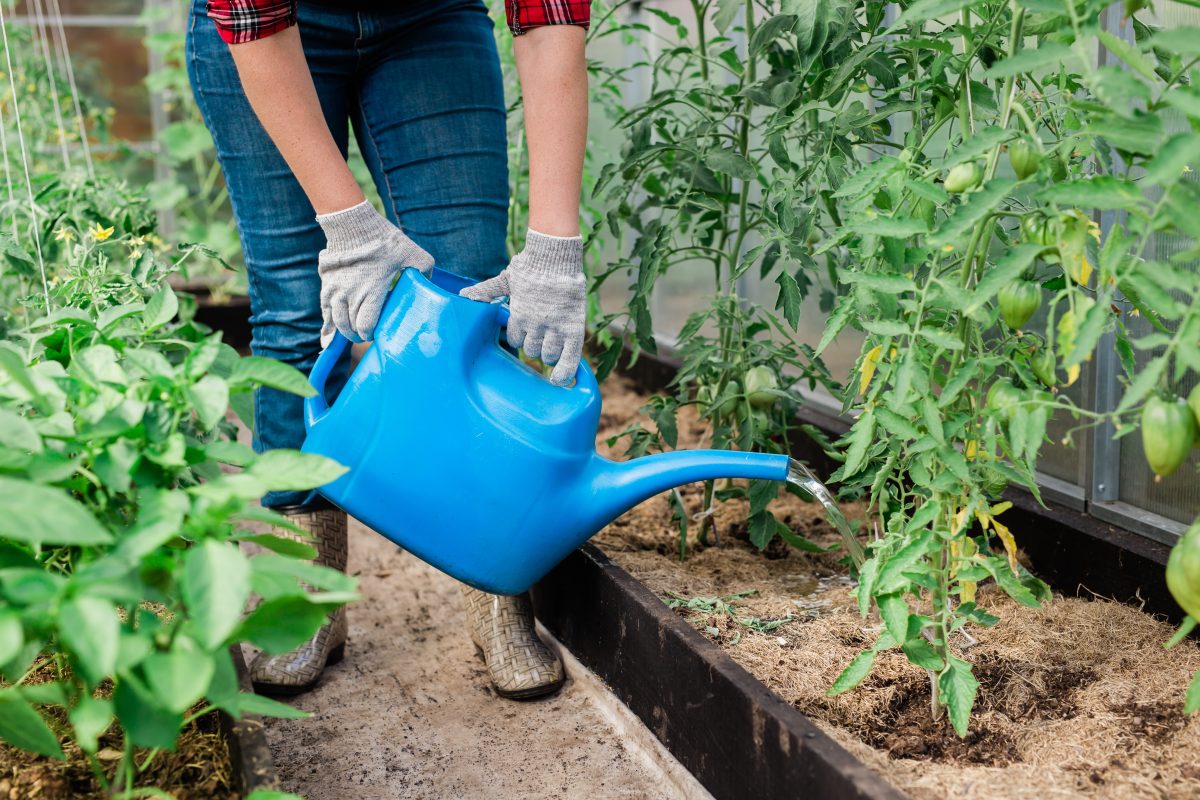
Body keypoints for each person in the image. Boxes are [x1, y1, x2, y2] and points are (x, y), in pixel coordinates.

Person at [187, 0, 590, 699]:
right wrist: (348, 229)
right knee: (296, 306)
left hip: (430, 19)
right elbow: (249, 13)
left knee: (471, 287)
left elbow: (550, 9)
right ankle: (303, 598)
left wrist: (556, 248)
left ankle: (494, 589)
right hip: (270, 29)